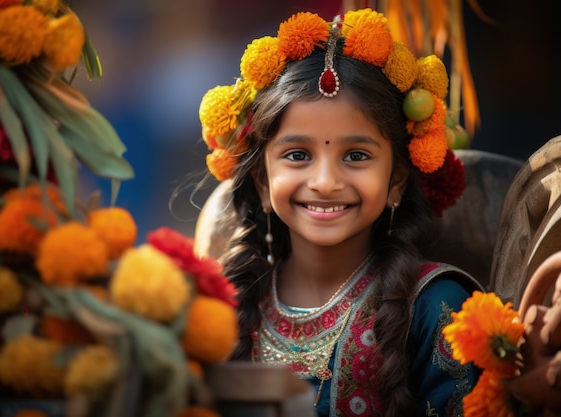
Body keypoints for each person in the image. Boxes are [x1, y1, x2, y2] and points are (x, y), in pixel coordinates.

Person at [196, 8, 483, 417]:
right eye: (297, 155)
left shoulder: (437, 309)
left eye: (356, 155)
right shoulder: (223, 308)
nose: (326, 181)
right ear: (261, 181)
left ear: (397, 180)